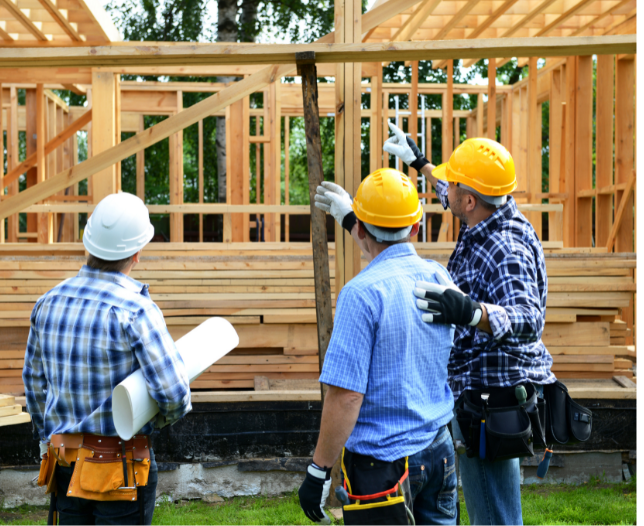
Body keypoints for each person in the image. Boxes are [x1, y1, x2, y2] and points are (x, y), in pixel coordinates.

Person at [383, 123, 556, 525]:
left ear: (471, 200)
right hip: (476, 393)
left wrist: (472, 313)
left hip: (491, 401)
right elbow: (450, 190)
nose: (448, 190)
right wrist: (420, 162)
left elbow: (529, 320)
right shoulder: (484, 212)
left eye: (455, 185)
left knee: (492, 513)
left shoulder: (505, 247)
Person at [298, 168, 458, 526]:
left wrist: (318, 470)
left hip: (382, 467)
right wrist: (351, 218)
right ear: (417, 227)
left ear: (361, 229)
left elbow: (346, 397)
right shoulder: (438, 277)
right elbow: (391, 252)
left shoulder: (361, 294)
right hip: (438, 450)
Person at [23, 192, 192, 525]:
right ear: (137, 253)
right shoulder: (136, 309)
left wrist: (47, 438)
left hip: (65, 462)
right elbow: (174, 395)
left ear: (89, 243)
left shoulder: (47, 303)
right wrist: (151, 418)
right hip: (122, 470)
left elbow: (34, 385)